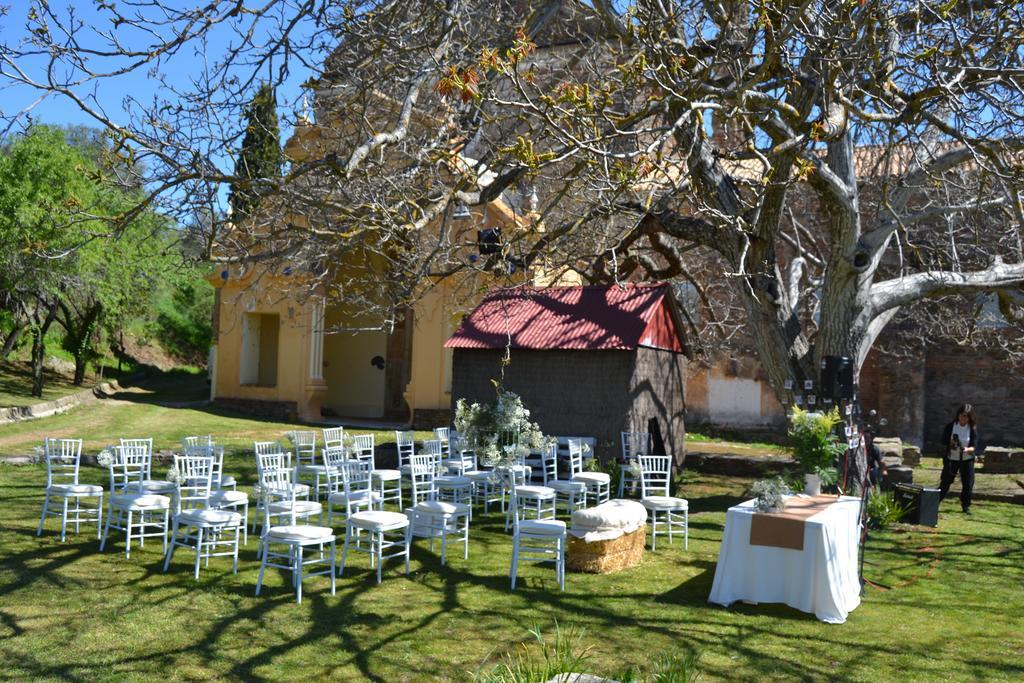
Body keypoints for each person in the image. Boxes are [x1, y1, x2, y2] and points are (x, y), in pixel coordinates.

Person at [938, 403, 982, 514]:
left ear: (970, 417)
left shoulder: (972, 429)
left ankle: (965, 506)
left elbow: (974, 447)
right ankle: (934, 502)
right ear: (958, 415)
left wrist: (966, 450)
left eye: (966, 416)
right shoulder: (951, 426)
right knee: (945, 482)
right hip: (951, 459)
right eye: (962, 415)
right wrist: (951, 442)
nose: (963, 417)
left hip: (966, 460)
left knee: (967, 484)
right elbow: (943, 440)